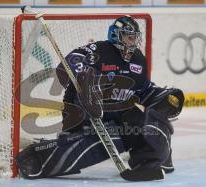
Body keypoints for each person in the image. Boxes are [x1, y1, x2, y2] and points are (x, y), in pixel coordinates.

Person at [15, 16, 184, 181]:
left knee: (141, 122)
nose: (133, 41)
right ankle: (39, 158)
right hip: (80, 111)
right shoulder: (98, 50)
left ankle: (148, 162)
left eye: (134, 37)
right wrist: (82, 76)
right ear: (116, 35)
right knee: (99, 127)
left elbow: (142, 90)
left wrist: (161, 97)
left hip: (115, 113)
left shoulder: (138, 60)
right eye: (128, 36)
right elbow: (66, 67)